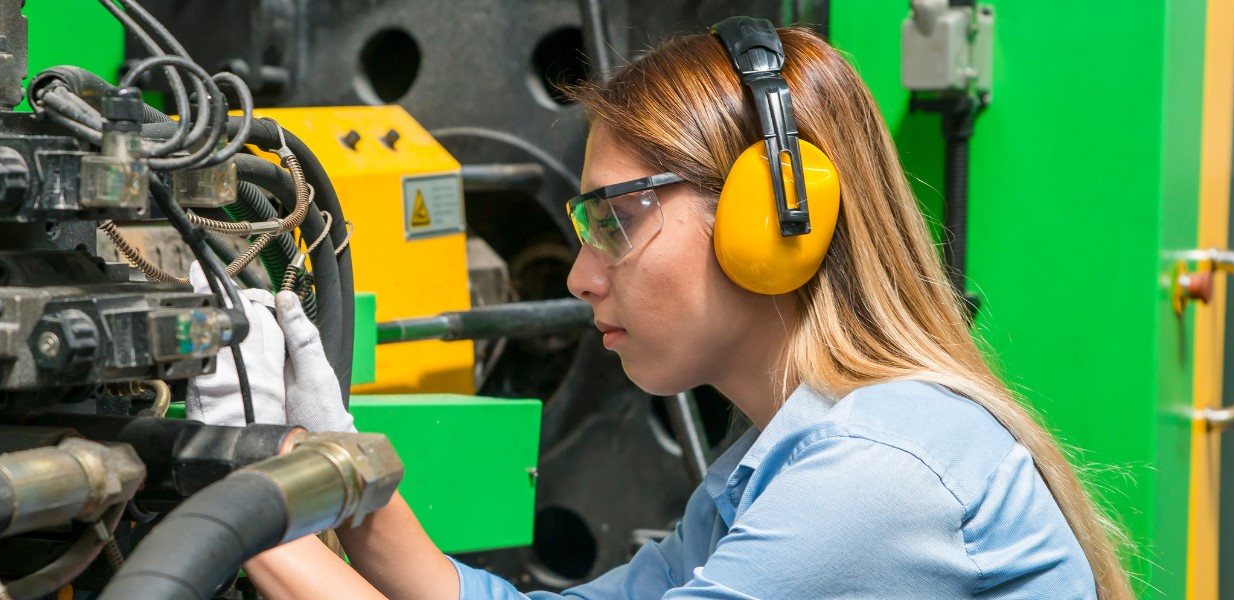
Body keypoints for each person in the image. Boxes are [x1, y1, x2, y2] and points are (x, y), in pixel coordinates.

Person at [199, 17, 1133, 600]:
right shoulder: (772, 465)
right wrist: (341, 476)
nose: (577, 276)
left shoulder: (875, 480)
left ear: (774, 220)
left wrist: (237, 502)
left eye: (615, 219)